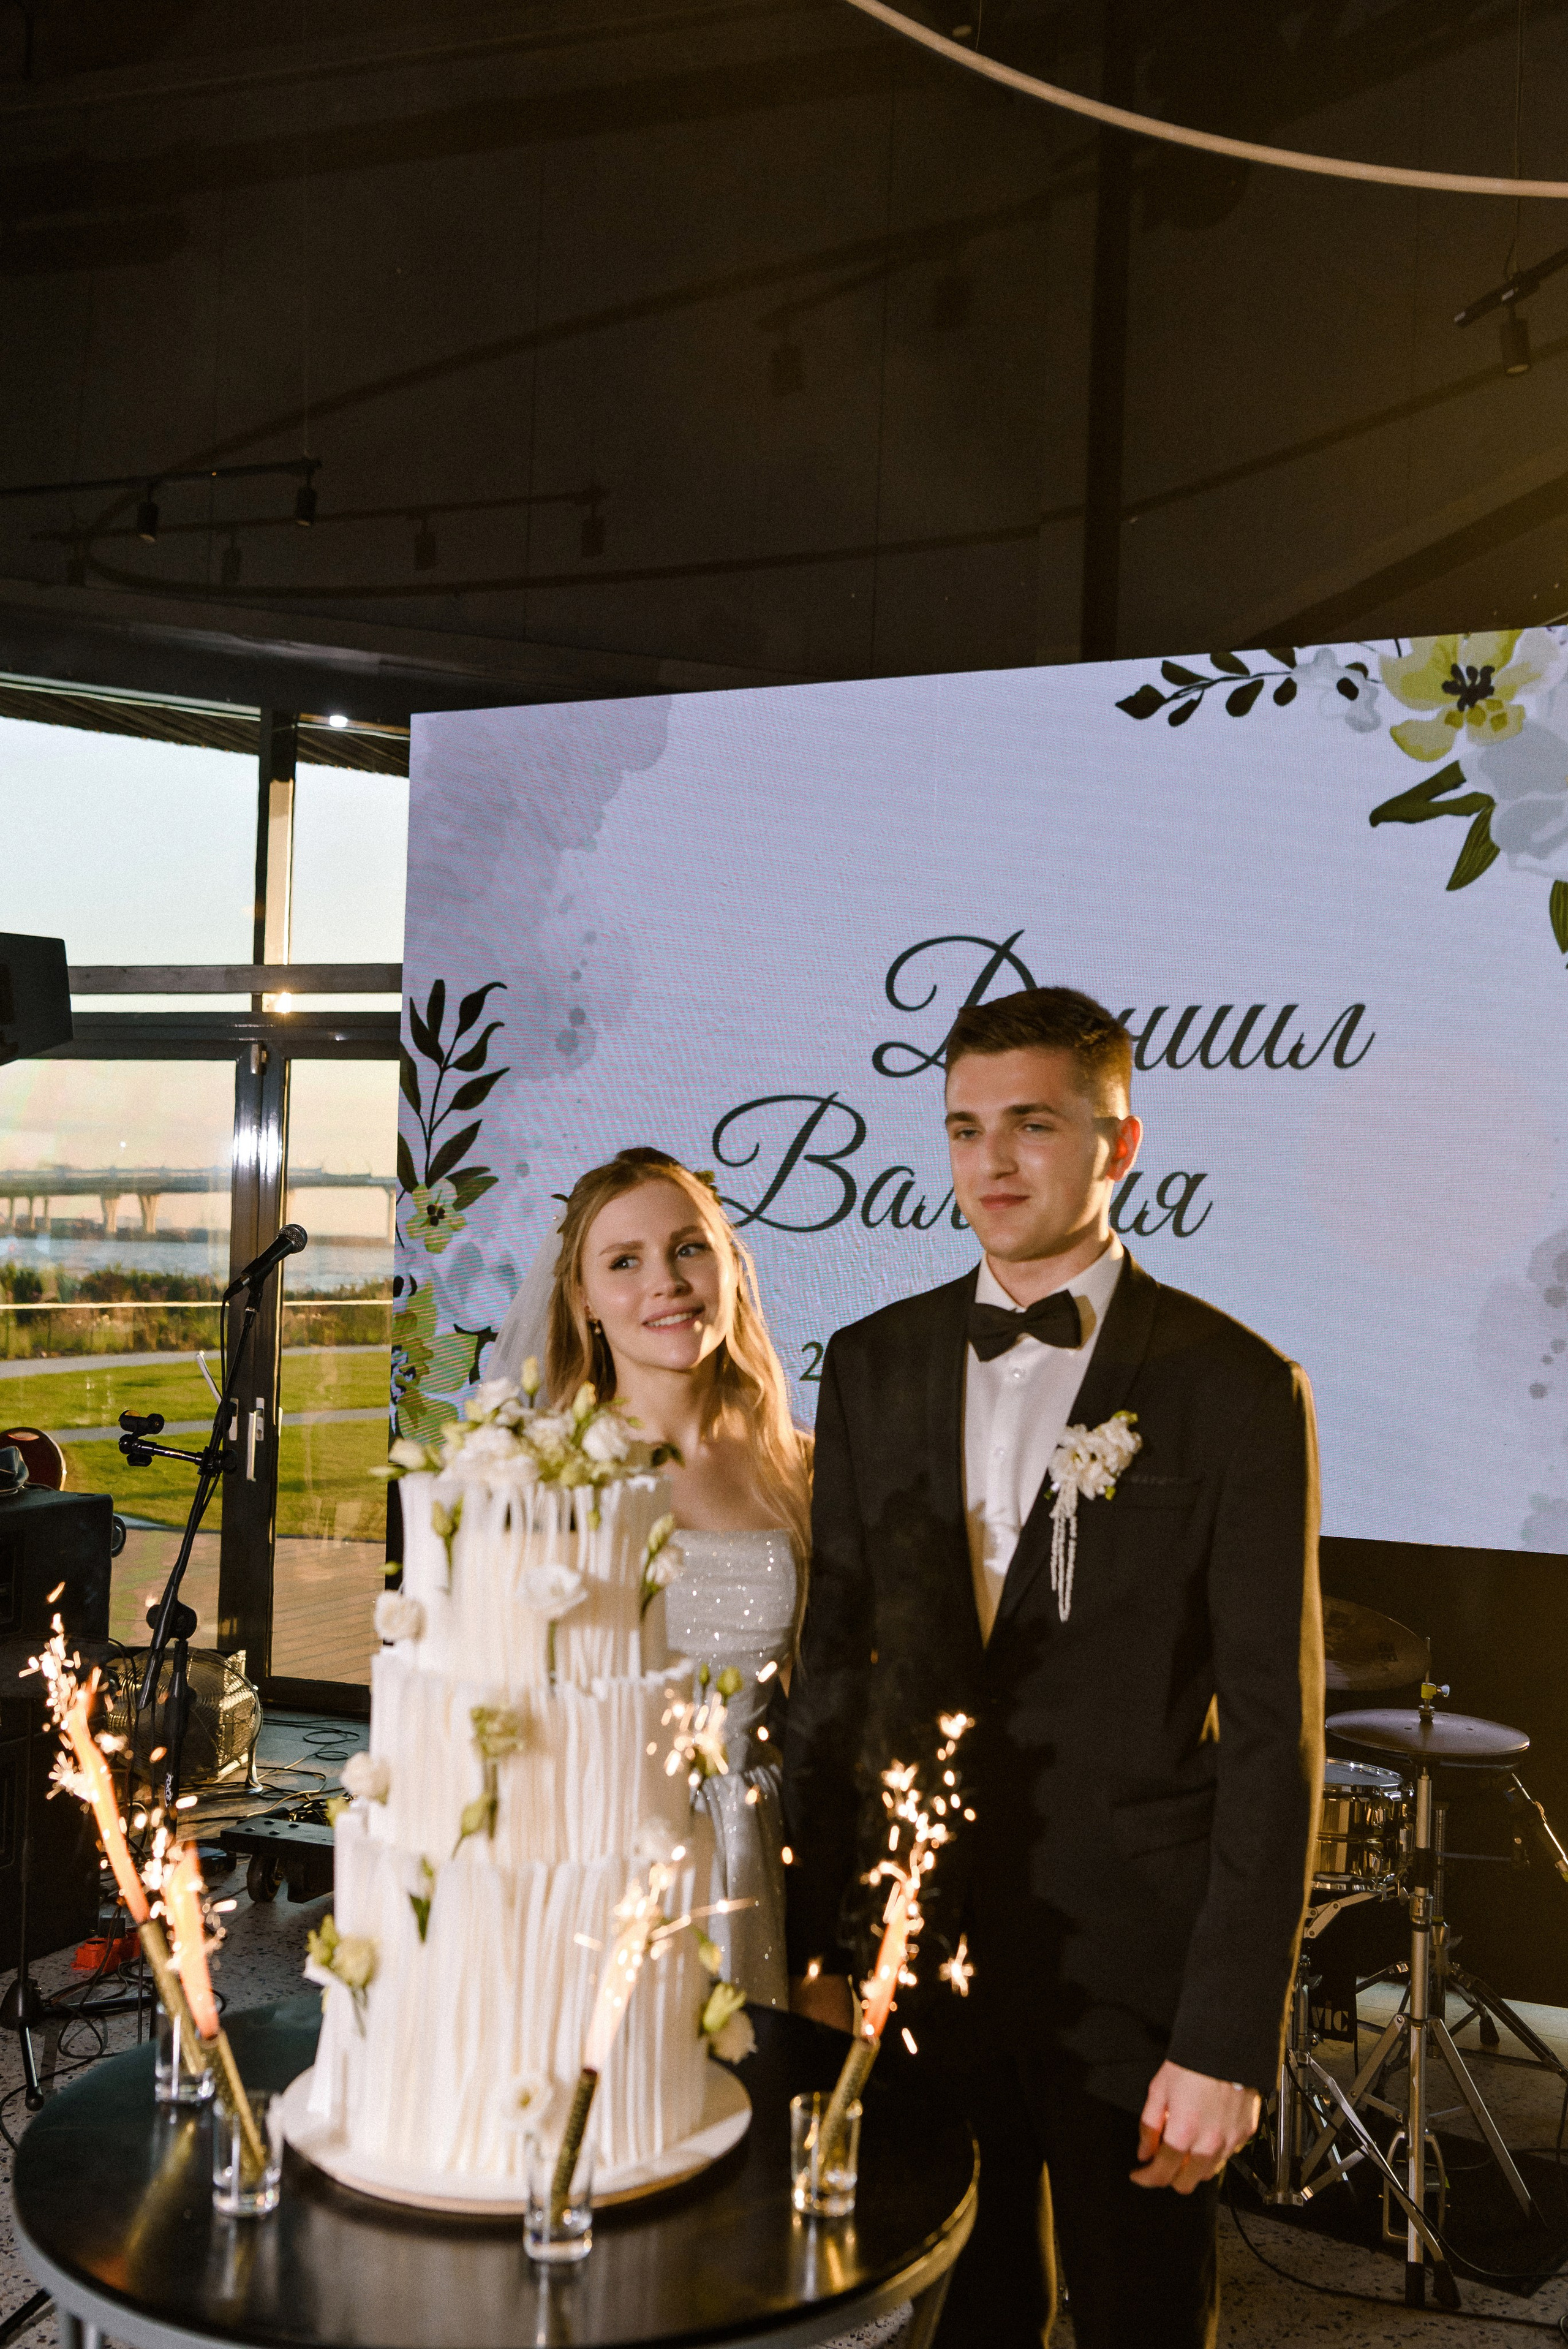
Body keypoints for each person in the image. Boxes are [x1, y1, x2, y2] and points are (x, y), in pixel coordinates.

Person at [783, 988, 1325, 2349]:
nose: (991, 1162)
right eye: (965, 1128)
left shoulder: (1238, 1386)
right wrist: (827, 1944)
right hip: (922, 1952)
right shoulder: (869, 1364)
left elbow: (1273, 1735)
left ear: (1117, 1143)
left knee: (1141, 2313)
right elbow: (838, 1674)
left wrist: (1221, 2038)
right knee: (957, 2317)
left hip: (1131, 1978)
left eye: (1031, 1124)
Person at [516, 1146, 812, 2007]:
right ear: (584, 1301)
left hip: (753, 1854)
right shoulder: (542, 1477)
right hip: (591, 1854)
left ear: (728, 1263)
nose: (667, 1282)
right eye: (624, 1261)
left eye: (690, 1248)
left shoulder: (803, 1471)